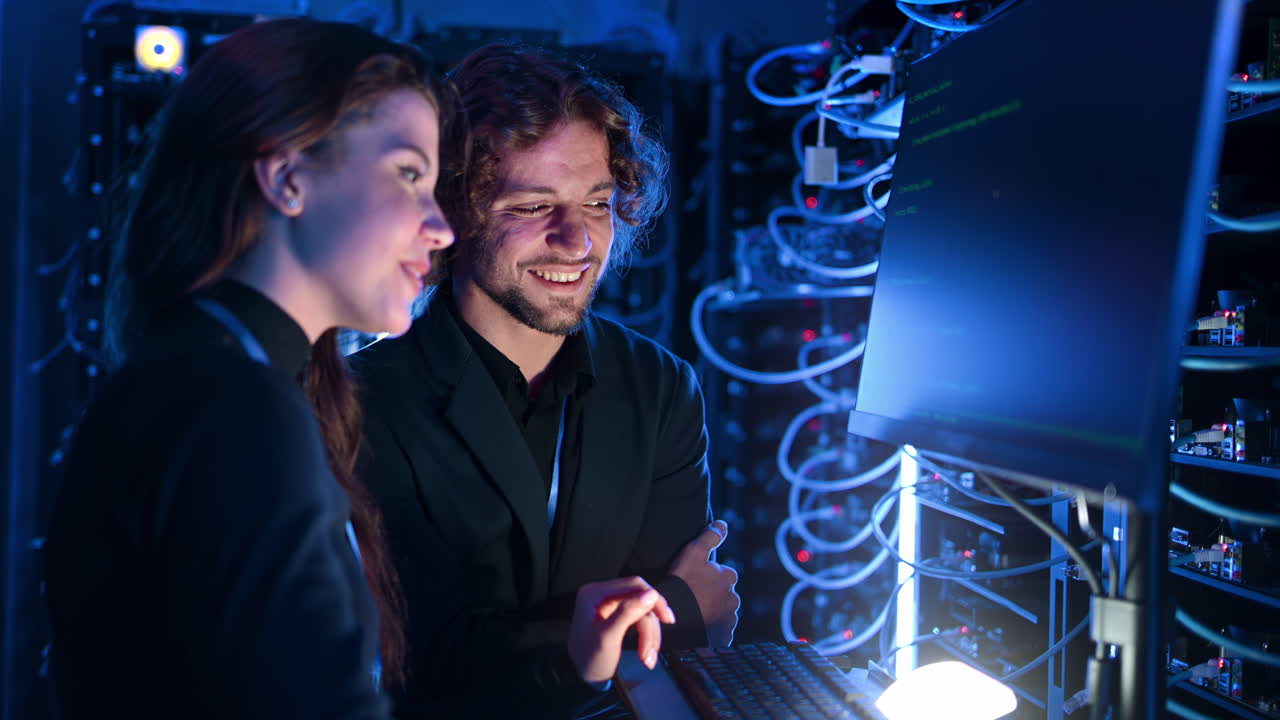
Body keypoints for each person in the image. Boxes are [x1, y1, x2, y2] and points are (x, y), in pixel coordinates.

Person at [44, 20, 671, 720]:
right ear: (286, 179)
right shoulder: (232, 403)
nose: (440, 227)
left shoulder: (217, 376)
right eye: (408, 176)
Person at [352, 43, 740, 718]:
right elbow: (419, 661)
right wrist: (622, 625)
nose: (579, 241)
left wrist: (600, 633)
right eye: (533, 207)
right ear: (455, 212)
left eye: (596, 202)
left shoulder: (661, 387)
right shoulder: (365, 402)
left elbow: (672, 656)